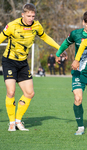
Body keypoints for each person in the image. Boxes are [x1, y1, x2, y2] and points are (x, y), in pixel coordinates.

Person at [0, 3, 60, 131]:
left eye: (33, 16)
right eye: (28, 16)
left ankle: (18, 121)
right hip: (9, 61)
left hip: (23, 63)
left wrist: (59, 48)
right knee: (11, 92)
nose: (31, 18)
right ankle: (11, 122)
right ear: (23, 15)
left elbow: (45, 37)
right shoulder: (12, 26)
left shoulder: (36, 26)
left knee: (29, 93)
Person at [55, 11, 87, 135]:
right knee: (78, 98)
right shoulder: (76, 34)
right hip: (79, 71)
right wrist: (58, 54)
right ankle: (80, 127)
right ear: (83, 22)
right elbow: (66, 43)